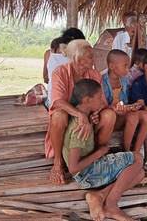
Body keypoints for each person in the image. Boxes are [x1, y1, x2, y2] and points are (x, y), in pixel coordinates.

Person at [64, 79, 144, 221]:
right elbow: (73, 167)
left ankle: (99, 195)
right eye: (99, 97)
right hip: (87, 173)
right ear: (87, 100)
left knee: (139, 173)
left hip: (89, 171)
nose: (102, 100)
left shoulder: (84, 116)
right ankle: (111, 204)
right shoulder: (80, 128)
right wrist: (99, 153)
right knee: (137, 158)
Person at [46, 39, 116, 184]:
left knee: (109, 115)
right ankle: (58, 163)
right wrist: (80, 115)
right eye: (90, 56)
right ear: (78, 58)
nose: (94, 59)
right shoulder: (60, 72)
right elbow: (57, 101)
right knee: (58, 115)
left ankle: (96, 155)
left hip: (88, 116)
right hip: (70, 116)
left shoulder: (95, 74)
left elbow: (102, 102)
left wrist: (96, 113)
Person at [101, 49, 147, 152]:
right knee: (132, 117)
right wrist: (118, 109)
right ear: (112, 66)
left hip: (122, 114)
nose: (128, 69)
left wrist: (134, 105)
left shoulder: (124, 80)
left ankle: (136, 151)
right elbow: (101, 106)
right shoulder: (101, 80)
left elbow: (125, 102)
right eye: (125, 66)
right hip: (109, 118)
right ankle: (126, 151)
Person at [45, 28, 86, 109]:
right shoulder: (82, 58)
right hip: (76, 104)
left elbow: (45, 79)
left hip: (53, 102)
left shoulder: (48, 54)